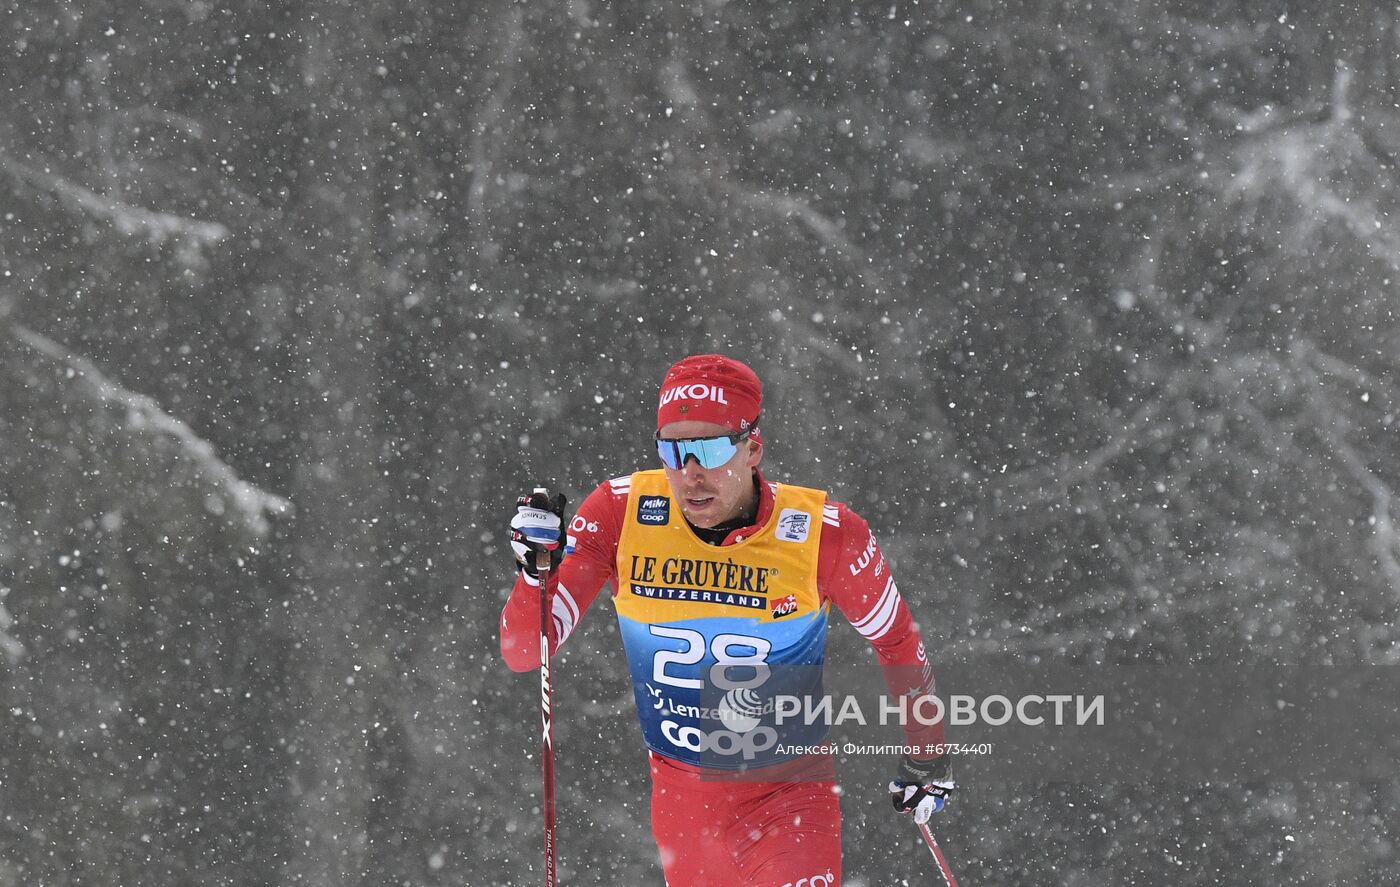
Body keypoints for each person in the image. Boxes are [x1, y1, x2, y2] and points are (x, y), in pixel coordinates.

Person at [500, 354, 955, 886]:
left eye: (710, 450)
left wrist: (928, 755)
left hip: (789, 798)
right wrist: (536, 573)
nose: (690, 475)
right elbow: (525, 652)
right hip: (681, 808)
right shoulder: (620, 513)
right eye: (672, 452)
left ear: (753, 447)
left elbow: (897, 639)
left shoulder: (823, 535)